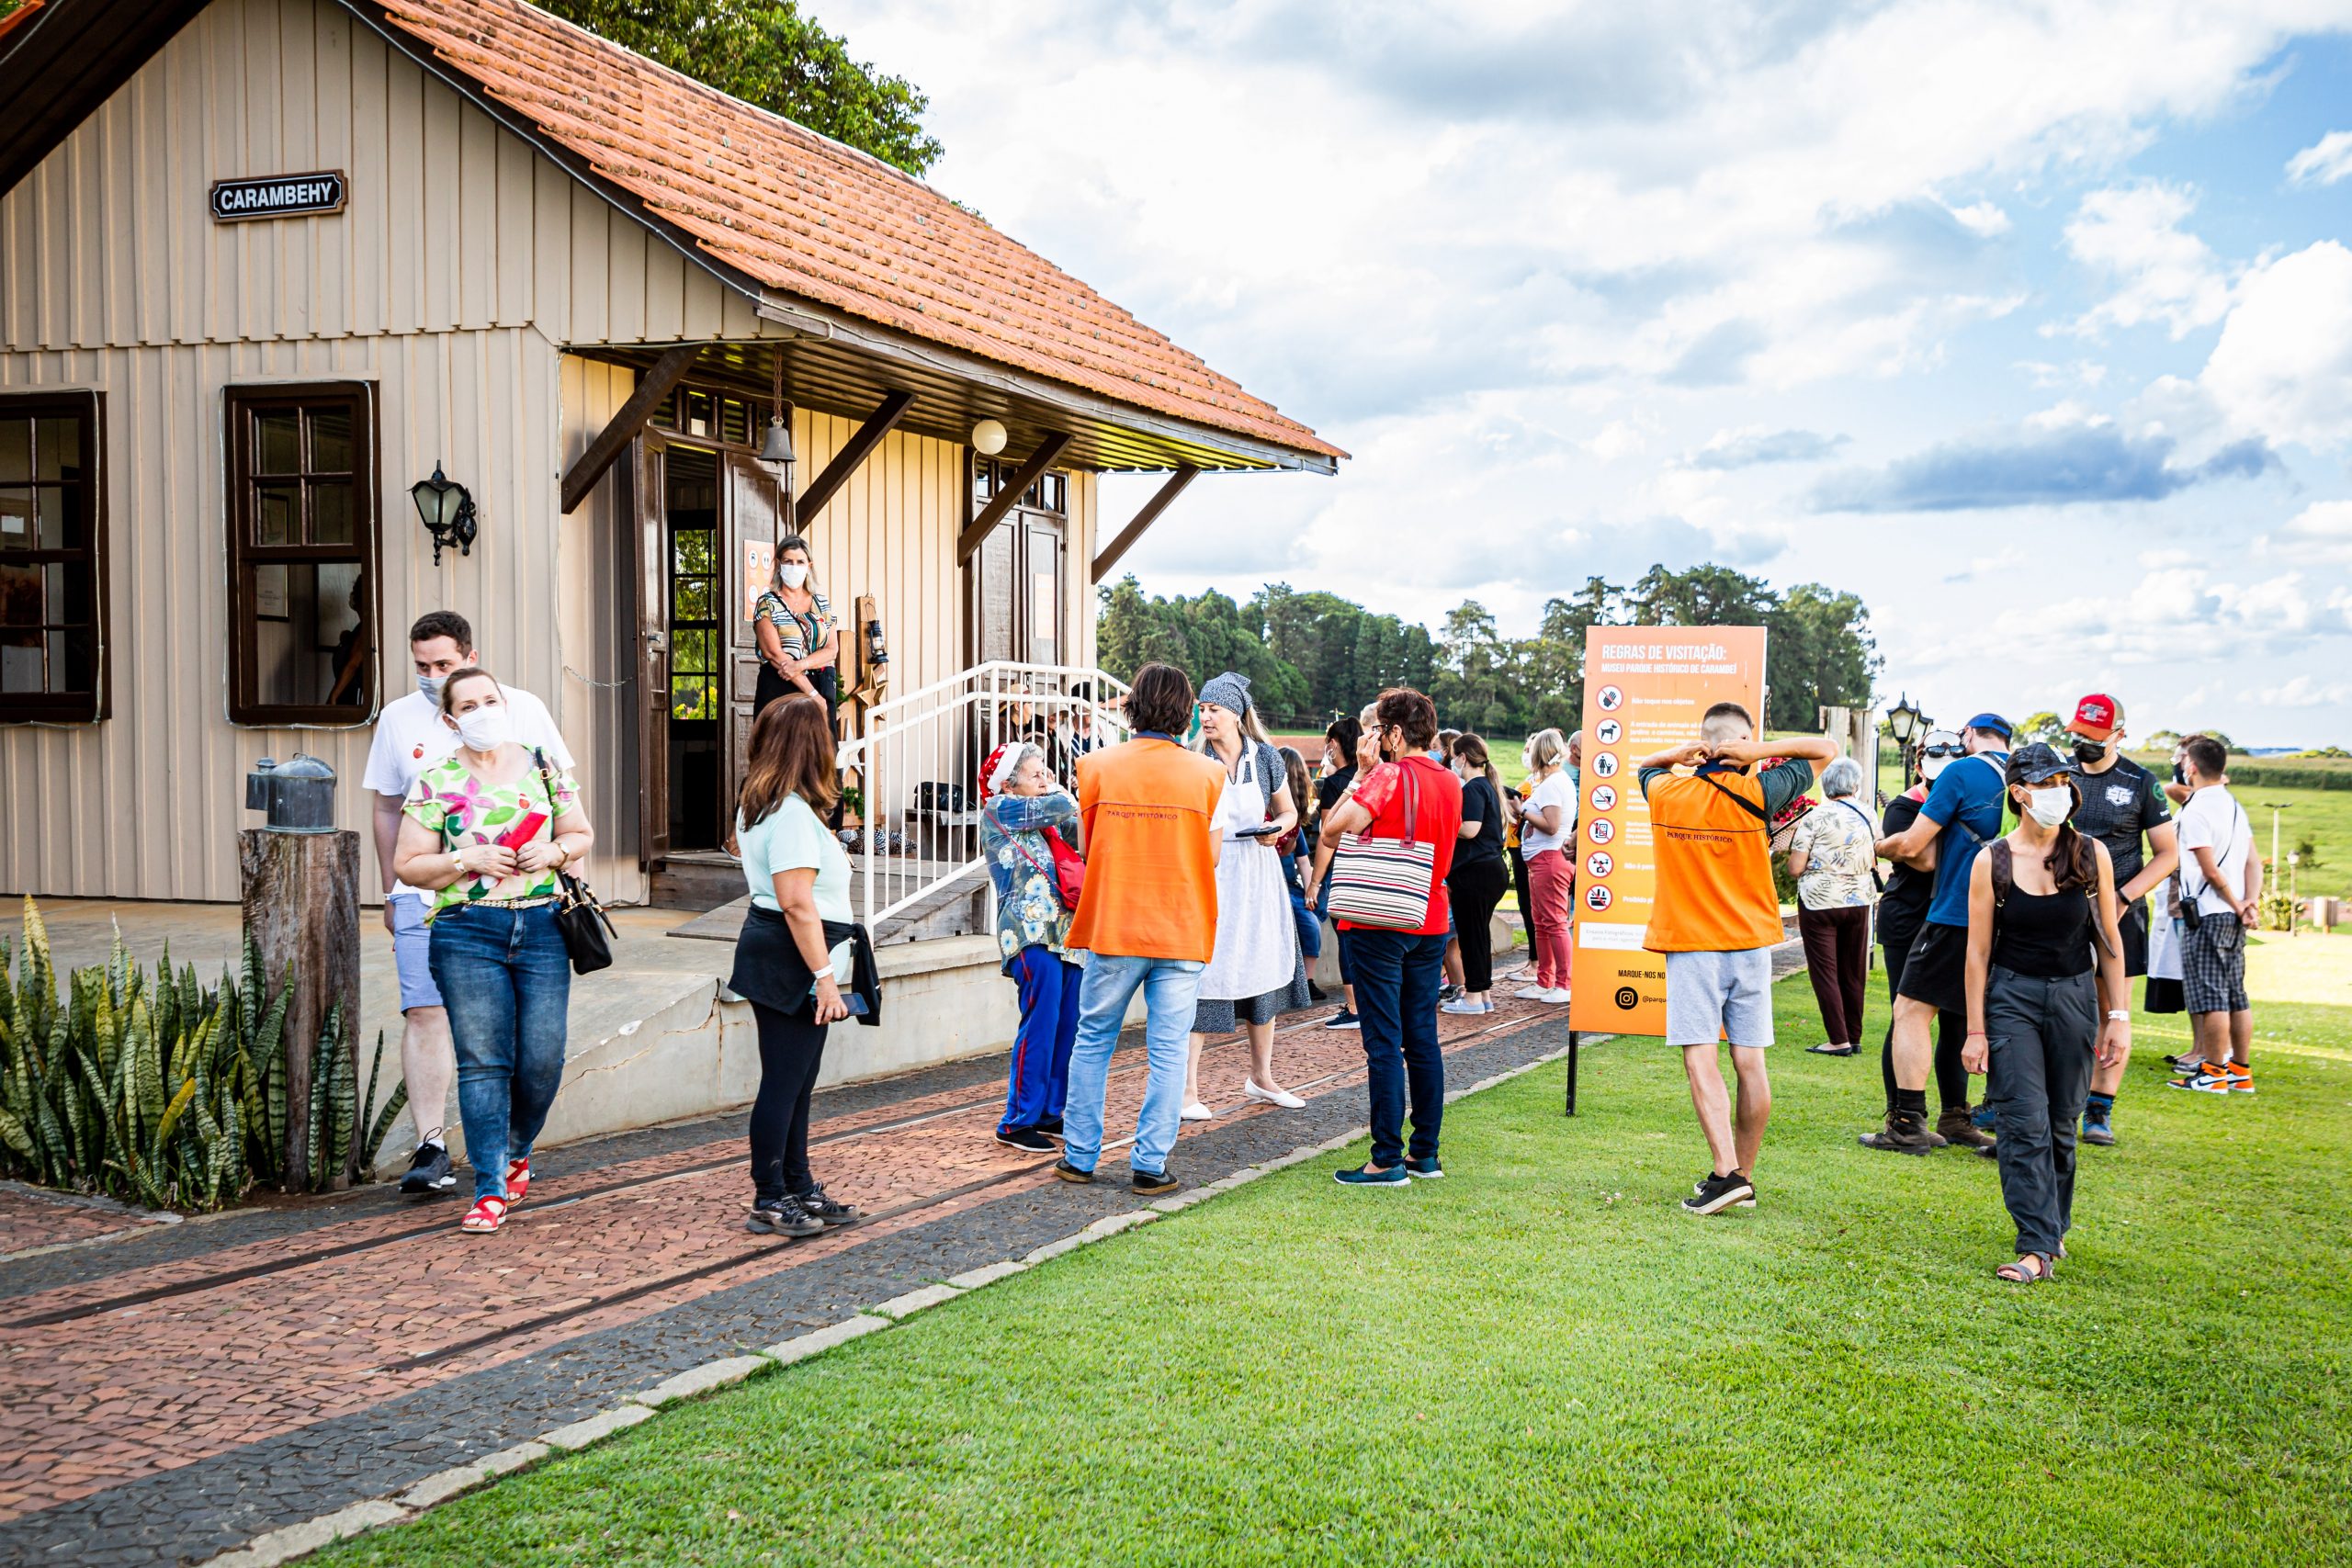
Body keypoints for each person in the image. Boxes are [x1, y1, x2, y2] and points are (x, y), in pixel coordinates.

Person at [363, 612, 574, 1199]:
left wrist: (568, 880)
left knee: (534, 1051)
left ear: (470, 656)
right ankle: (434, 1143)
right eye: (422, 666)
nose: (432, 676)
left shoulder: (523, 709)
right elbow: (386, 808)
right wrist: (392, 891)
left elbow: (565, 809)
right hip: (429, 895)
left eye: (444, 665)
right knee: (426, 1013)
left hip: (530, 905)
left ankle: (509, 1150)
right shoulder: (399, 721)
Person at [392, 669, 594, 1234]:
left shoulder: (542, 765)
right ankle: (490, 1186)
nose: (483, 711)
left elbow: (581, 833)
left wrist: (554, 852)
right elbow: (408, 864)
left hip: (542, 927)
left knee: (543, 1058)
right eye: (469, 705)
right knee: (484, 1062)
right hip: (465, 931)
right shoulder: (435, 779)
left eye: (490, 700)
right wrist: (466, 860)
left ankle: (516, 1146)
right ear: (451, 719)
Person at [1637, 707, 1837, 1215]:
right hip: (1749, 943)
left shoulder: (1667, 791)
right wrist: (1760, 752)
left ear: (1703, 746)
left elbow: (1645, 766)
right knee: (1750, 1061)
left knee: (1700, 1056)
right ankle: (1741, 1176)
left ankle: (1728, 1175)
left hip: (1693, 945)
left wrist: (1675, 756)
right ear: (1743, 744)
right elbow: (1826, 749)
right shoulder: (1760, 792)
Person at [1056, 663, 1227, 1196]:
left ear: (1132, 707)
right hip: (1181, 924)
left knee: (1093, 1041)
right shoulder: (1207, 774)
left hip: (1115, 923)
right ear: (1186, 711)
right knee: (1169, 1050)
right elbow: (1213, 855)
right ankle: (1150, 1164)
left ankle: (1080, 1156)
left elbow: (1087, 847)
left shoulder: (1095, 766)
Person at [1961, 744, 2130, 1282]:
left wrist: (2119, 1016)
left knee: (2061, 1122)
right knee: (2022, 1120)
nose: (2061, 790)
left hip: (2075, 998)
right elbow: (1977, 952)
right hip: (2012, 998)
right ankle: (2035, 1245)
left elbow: (2108, 941)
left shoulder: (2090, 854)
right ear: (2020, 793)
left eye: (2064, 780)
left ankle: (2051, 1228)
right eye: (2048, 782)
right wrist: (1975, 1030)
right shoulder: (1993, 859)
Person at [724, 695, 872, 1235]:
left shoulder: (767, 805)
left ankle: (798, 1184)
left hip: (785, 952)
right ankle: (769, 1197)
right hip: (795, 957)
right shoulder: (785, 812)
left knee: (797, 1080)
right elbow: (796, 903)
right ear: (814, 748)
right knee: (784, 1083)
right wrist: (824, 980)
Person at [1311, 687, 1464, 1188]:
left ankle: (1385, 1157)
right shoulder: (1451, 779)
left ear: (1396, 734)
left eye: (1377, 729)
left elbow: (1333, 829)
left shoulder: (1387, 775)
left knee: (1383, 1040)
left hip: (1379, 920)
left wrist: (1359, 773)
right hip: (1430, 914)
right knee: (1422, 1036)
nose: (1371, 738)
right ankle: (1426, 1153)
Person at [1865, 713, 2014, 1155]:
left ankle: (1907, 1123)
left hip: (1954, 913)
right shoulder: (2031, 773)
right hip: (2012, 916)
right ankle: (1973, 1119)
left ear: (1969, 737)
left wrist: (1876, 846)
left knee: (1909, 1010)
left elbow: (1914, 848)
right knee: (1982, 1020)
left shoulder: (1963, 773)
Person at [1183, 673, 1309, 1117]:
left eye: (1214, 709)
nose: (1206, 716)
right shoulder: (1193, 758)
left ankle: (1261, 1076)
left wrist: (1276, 829)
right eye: (1202, 708)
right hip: (1213, 871)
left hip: (1258, 873)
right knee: (1204, 973)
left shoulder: (1267, 758)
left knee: (1260, 961)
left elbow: (1289, 810)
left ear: (1236, 714)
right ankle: (1188, 1091)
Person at [2059, 694, 2178, 1144]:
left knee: (2113, 1009)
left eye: (2092, 736)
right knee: (2061, 1003)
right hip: (2062, 906)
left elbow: (2167, 855)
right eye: (2077, 734)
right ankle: (2047, 1098)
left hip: (2121, 909)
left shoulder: (2141, 783)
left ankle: (2099, 1109)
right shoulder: (2060, 775)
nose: (2081, 743)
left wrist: (2125, 895)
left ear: (2118, 735)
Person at [1873, 730, 1981, 1148]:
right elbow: (1927, 858)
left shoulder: (1957, 804)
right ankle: (1901, 1113)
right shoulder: (1904, 806)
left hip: (1951, 920)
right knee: (1907, 1015)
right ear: (1920, 767)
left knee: (1957, 1018)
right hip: (1909, 917)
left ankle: (1956, 1115)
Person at [978, 740, 1084, 1155]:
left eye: (1046, 772)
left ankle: (1049, 1111)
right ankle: (1017, 1119)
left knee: (1067, 1023)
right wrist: (1063, 788)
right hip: (1029, 933)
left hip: (1065, 934)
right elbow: (1064, 804)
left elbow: (1083, 824)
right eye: (1036, 775)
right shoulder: (1000, 808)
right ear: (1009, 783)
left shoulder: (1046, 818)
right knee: (1040, 1023)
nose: (1046, 780)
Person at [2166, 736, 2260, 1097]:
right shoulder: (2234, 805)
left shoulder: (2196, 810)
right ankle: (2240, 1071)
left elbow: (2208, 869)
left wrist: (2237, 904)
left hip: (2206, 912)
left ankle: (2213, 1071)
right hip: (2234, 914)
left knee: (2210, 997)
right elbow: (2252, 860)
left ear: (2191, 766)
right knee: (2236, 994)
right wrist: (2249, 901)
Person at [1787, 757, 1877, 1056]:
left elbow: (1796, 867)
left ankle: (1838, 1040)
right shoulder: (1869, 815)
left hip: (1819, 902)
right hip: (1859, 899)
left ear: (1826, 785)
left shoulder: (1815, 817)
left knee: (1825, 970)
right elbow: (1876, 856)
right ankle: (1854, 1035)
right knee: (1853, 970)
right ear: (1855, 784)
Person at [1443, 734, 1511, 1015]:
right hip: (1490, 870)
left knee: (1471, 936)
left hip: (1474, 874)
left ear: (1462, 758)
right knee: (1479, 934)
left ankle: (1473, 996)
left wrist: (1443, 820)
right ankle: (1482, 992)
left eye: (1452, 757)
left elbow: (1469, 829)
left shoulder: (1473, 789)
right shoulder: (1488, 787)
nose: (1450, 763)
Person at [1313, 713, 1372, 1030]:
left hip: (1344, 871)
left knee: (1346, 938)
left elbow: (1327, 838)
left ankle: (1352, 1007)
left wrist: (1314, 882)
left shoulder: (1336, 784)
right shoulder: (1374, 775)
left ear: (1334, 744)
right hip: (1370, 867)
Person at [752, 535, 840, 724]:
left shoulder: (822, 603)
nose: (794, 566)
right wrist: (812, 694)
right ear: (778, 564)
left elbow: (832, 649)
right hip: (781, 690)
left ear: (809, 566)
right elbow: (774, 654)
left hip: (821, 686)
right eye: (788, 561)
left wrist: (801, 665)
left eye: (800, 562)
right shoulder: (767, 603)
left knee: (822, 751)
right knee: (781, 751)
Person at [1515, 728, 1576, 1004]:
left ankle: (1564, 982)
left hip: (1550, 859)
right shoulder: (1553, 782)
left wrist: (1522, 811)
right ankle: (1545, 980)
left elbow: (1552, 826)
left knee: (1554, 922)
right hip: (1541, 860)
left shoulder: (1553, 784)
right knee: (1542, 922)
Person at [1274, 746, 1325, 995]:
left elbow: (1303, 859)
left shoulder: (1294, 824)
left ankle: (1308, 981)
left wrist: (1309, 892)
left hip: (1290, 889)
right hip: (1271, 888)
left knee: (1311, 923)